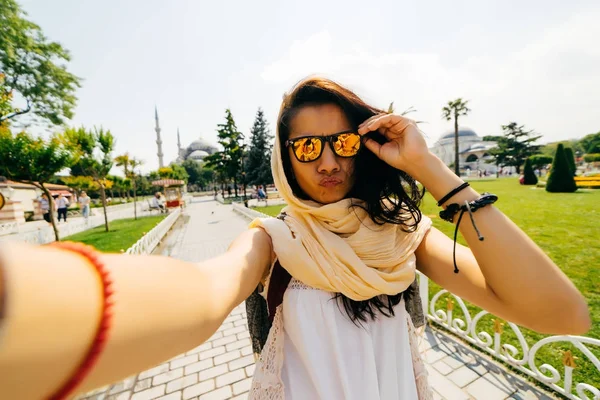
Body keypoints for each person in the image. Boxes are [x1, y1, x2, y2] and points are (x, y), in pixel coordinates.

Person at [0, 77, 590, 400]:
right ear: (285, 158)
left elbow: (559, 312)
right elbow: (204, 296)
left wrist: (431, 170)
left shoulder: (403, 237)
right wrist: (32, 311)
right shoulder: (274, 239)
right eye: (307, 147)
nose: (328, 161)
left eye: (344, 142)